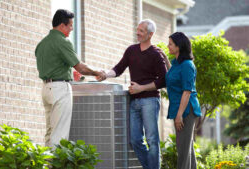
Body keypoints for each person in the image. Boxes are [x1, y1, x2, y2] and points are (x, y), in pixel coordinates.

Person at [97, 19, 167, 169]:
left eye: (141, 31)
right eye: (137, 29)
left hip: (150, 100)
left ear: (150, 34)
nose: (138, 33)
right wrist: (105, 74)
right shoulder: (131, 50)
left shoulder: (156, 54)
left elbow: (163, 81)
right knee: (134, 140)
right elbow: (118, 68)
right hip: (134, 101)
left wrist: (141, 88)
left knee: (152, 139)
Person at [35, 9, 104, 147]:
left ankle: (47, 165)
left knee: (49, 133)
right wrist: (97, 72)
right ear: (62, 25)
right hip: (60, 90)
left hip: (46, 90)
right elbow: (81, 68)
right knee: (59, 134)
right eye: (70, 25)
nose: (72, 29)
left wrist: (68, 74)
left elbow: (52, 67)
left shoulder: (42, 44)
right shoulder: (63, 41)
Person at [163, 32, 202, 169]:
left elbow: (187, 91)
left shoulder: (187, 65)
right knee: (187, 148)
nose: (168, 46)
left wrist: (180, 115)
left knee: (183, 150)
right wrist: (165, 60)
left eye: (170, 44)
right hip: (179, 108)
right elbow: (172, 76)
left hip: (186, 110)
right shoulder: (176, 64)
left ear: (179, 46)